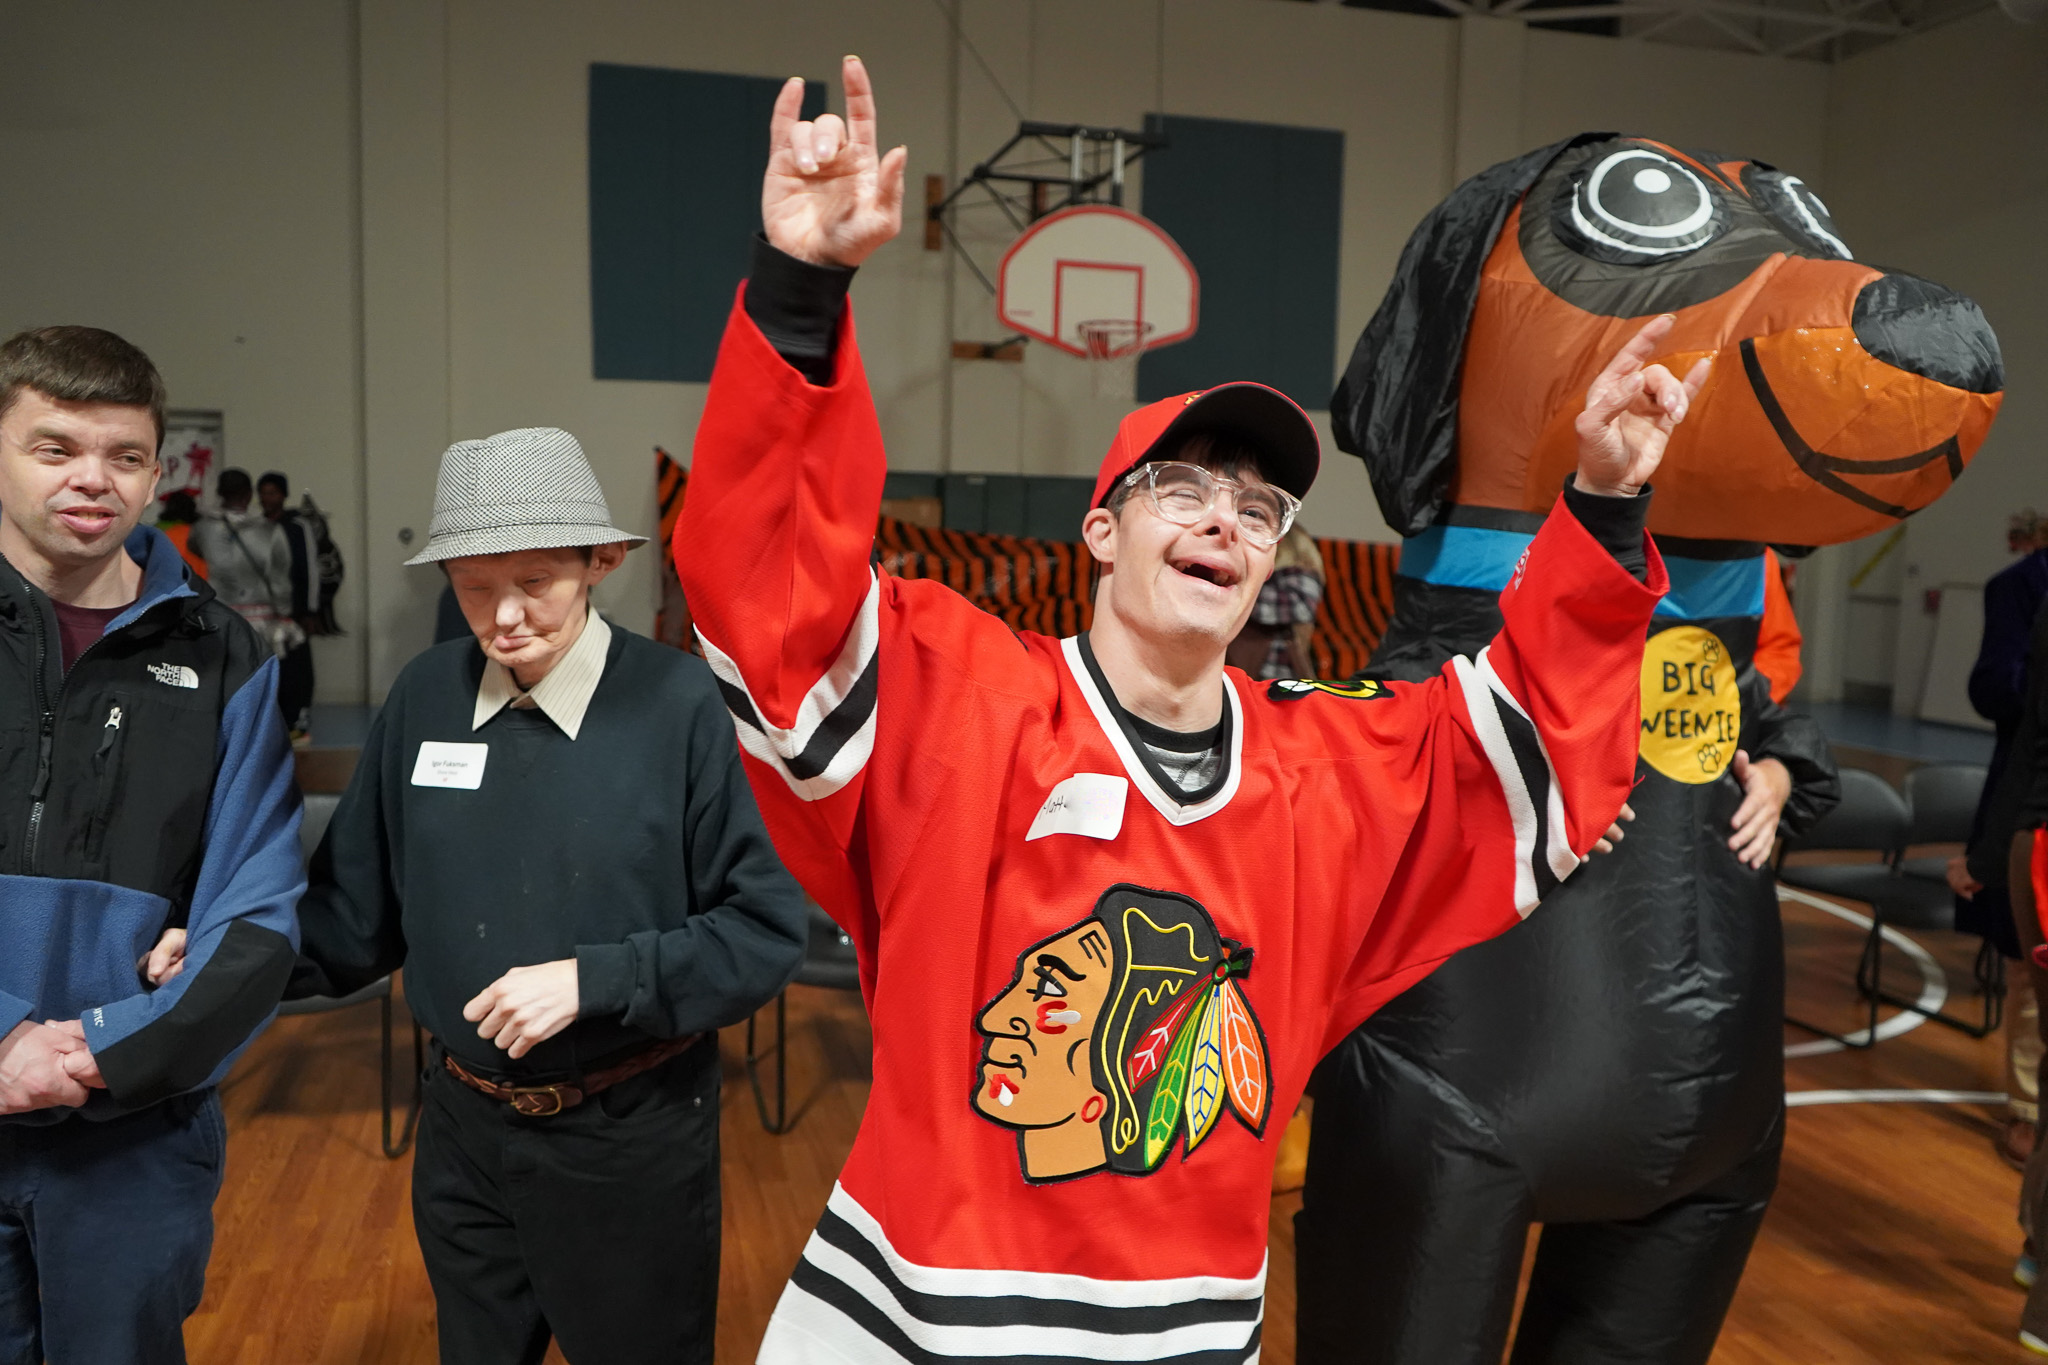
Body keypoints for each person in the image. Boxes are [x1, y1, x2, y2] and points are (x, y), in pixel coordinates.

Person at [675, 58, 1702, 1360]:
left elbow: (1533, 751)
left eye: (1258, 507)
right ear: (1101, 531)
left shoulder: (1324, 770)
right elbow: (768, 592)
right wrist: (798, 295)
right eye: (1185, 489)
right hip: (911, 1324)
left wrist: (1603, 501)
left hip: (1183, 1334)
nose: (1227, 518)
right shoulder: (961, 697)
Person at [290, 426, 808, 1365]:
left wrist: (593, 979)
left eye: (536, 580)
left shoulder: (682, 705)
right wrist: (225, 954)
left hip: (628, 1140)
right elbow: (353, 917)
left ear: (600, 561)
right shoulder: (425, 696)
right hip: (463, 1135)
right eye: (473, 586)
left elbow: (763, 931)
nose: (506, 616)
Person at [0, 325, 302, 1363]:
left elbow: (257, 911)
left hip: (130, 1134)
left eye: (124, 455)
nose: (94, 479)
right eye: (55, 447)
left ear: (156, 474)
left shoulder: (223, 655)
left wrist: (112, 1049)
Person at [1956, 509, 2048, 1169]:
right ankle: (2027, 1109)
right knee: (2030, 966)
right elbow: (2000, 692)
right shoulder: (2024, 588)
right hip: (2037, 807)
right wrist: (1986, 854)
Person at [190, 468, 302, 735]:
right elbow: (280, 575)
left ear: (220, 493)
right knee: (260, 681)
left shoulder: (203, 528)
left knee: (221, 680)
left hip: (218, 615)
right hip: (262, 618)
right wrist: (284, 611)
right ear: (250, 494)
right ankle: (258, 735)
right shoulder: (270, 530)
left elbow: (196, 549)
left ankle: (224, 733)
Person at [257, 470, 319, 740]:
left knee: (297, 667)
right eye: (263, 493)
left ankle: (298, 717)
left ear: (283, 495)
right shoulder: (257, 526)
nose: (267, 498)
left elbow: (310, 568)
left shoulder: (297, 526)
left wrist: (310, 610)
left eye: (272, 493)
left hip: (294, 612)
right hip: (263, 612)